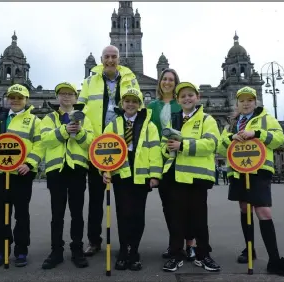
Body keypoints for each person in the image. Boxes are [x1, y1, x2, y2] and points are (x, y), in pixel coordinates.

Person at [217, 86, 284, 278]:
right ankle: (249, 249)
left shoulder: (266, 118)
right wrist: (232, 138)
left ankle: (275, 260)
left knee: (263, 211)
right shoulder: (231, 124)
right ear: (237, 103)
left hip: (259, 170)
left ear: (255, 101)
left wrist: (256, 133)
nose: (246, 104)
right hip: (238, 172)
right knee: (244, 209)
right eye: (242, 100)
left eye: (249, 100)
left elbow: (279, 139)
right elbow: (221, 147)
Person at [78, 45, 141, 256]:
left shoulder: (131, 79)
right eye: (107, 56)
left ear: (119, 58)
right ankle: (94, 241)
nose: (111, 60)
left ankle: (128, 243)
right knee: (96, 200)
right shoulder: (89, 81)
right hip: (98, 146)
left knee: (125, 200)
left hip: (124, 146)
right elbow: (81, 109)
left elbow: (138, 107)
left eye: (114, 56)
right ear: (101, 59)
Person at [0, 84, 44, 267]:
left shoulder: (34, 121)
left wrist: (30, 163)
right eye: (12, 97)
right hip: (0, 173)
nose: (15, 100)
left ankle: (21, 251)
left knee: (22, 214)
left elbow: (40, 145)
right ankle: (2, 250)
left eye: (19, 97)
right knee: (3, 213)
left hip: (22, 173)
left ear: (26, 100)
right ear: (8, 98)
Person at [161, 82, 221, 272]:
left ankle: (203, 256)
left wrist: (182, 146)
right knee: (177, 219)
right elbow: (164, 145)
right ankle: (176, 255)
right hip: (176, 177)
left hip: (198, 178)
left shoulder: (207, 119)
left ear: (198, 97)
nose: (186, 98)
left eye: (190, 95)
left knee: (199, 219)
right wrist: (167, 148)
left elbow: (211, 144)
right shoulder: (173, 120)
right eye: (183, 96)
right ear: (178, 100)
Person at [102, 88, 162, 271]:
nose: (130, 104)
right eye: (127, 101)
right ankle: (123, 252)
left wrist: (155, 174)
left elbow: (154, 150)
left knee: (137, 215)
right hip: (121, 175)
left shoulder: (149, 125)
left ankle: (134, 251)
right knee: (123, 214)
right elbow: (104, 148)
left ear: (140, 104)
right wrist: (105, 170)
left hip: (141, 177)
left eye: (134, 101)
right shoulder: (113, 124)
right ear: (122, 104)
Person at [39, 82, 94, 270]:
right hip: (56, 171)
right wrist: (64, 130)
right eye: (62, 93)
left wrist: (79, 133)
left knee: (77, 214)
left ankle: (77, 250)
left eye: (70, 94)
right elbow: (44, 140)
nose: (66, 97)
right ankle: (56, 252)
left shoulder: (85, 118)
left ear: (76, 98)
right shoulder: (48, 118)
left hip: (77, 170)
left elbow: (92, 143)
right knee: (57, 214)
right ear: (57, 97)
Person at [147, 68, 196, 259]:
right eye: (164, 79)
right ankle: (174, 244)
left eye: (171, 79)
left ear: (176, 83)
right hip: (162, 159)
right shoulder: (151, 106)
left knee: (187, 204)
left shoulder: (183, 103)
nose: (167, 82)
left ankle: (190, 243)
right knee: (168, 205)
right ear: (159, 82)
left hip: (182, 157)